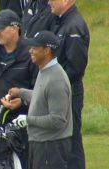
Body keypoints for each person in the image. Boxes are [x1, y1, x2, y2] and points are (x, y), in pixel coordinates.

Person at [1, 30, 73, 169]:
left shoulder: (56, 80)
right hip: (40, 144)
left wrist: (28, 120)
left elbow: (57, 120)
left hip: (51, 147)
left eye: (34, 47)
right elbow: (42, 95)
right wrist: (20, 93)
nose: (30, 50)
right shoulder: (44, 70)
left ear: (46, 50)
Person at [0, 9, 38, 169]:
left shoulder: (31, 52)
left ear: (15, 28)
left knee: (24, 163)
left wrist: (22, 101)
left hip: (23, 121)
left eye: (1, 29)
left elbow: (38, 88)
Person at [48, 0, 90, 168]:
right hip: (61, 90)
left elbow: (76, 67)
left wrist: (52, 82)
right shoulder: (62, 21)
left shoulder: (74, 26)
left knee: (71, 142)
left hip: (69, 92)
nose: (48, 1)